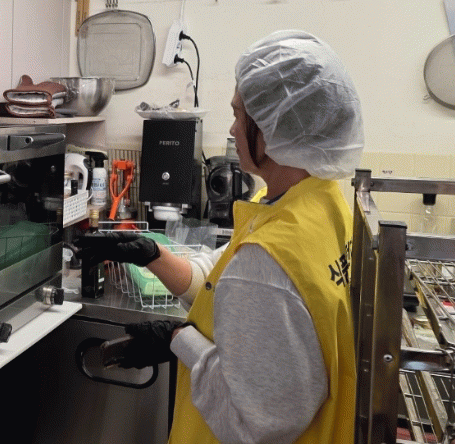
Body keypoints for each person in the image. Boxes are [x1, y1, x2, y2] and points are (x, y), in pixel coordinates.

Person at [75, 29, 363, 444]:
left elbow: (253, 428)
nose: (232, 129)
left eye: (240, 115)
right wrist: (152, 254)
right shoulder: (322, 204)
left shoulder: (268, 258)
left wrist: (177, 339)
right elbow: (219, 285)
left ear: (273, 127)